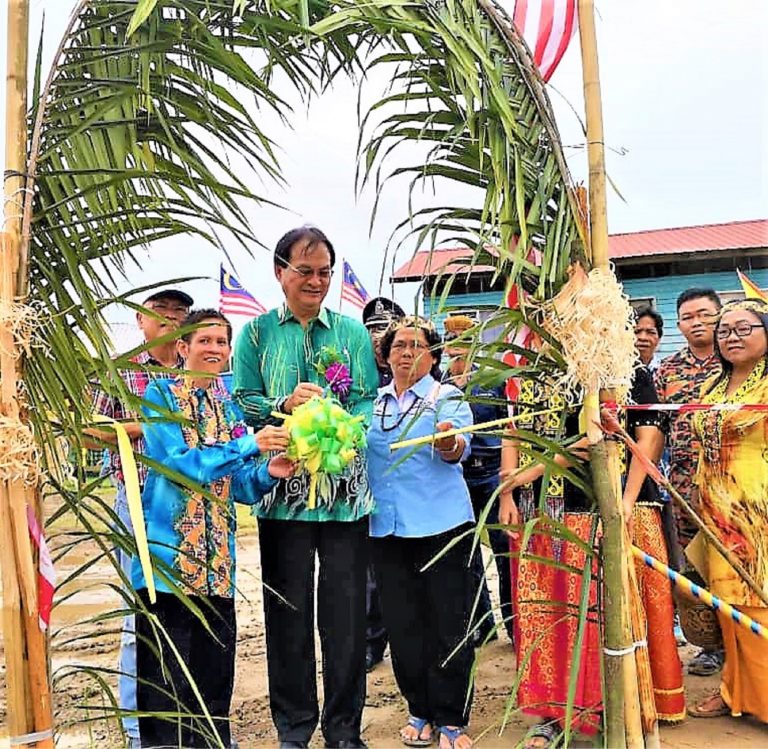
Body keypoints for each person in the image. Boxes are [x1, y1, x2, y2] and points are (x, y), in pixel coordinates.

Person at [232, 226, 378, 749]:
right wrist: (285, 406)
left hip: (344, 500)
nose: (316, 282)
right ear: (280, 272)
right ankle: (293, 729)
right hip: (281, 498)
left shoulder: (352, 333)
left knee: (345, 620)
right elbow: (242, 401)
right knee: (287, 617)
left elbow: (366, 399)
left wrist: (340, 427)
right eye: (305, 271)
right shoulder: (254, 335)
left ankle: (344, 731)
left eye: (324, 273)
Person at [134, 309, 294, 748]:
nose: (214, 349)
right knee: (165, 687)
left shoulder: (227, 409)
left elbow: (237, 485)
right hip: (167, 569)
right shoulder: (159, 397)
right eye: (204, 340)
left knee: (213, 686)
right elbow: (182, 465)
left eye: (221, 341)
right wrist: (249, 444)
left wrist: (269, 472)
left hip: (218, 569)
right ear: (182, 346)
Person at [89, 287, 193, 747]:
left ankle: (189, 721)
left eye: (180, 311)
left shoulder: (196, 368)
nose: (171, 318)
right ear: (140, 319)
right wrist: (148, 428)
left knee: (190, 612)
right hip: (137, 500)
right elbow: (88, 432)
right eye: (161, 310)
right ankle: (139, 729)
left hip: (192, 505)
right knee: (141, 614)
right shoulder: (120, 370)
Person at [366, 316, 476, 749]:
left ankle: (451, 716)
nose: (408, 352)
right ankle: (419, 708)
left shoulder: (445, 397)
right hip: (386, 529)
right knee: (403, 625)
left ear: (434, 356)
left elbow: (457, 447)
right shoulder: (372, 403)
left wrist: (448, 443)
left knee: (448, 622)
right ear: (386, 355)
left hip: (442, 526)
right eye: (399, 345)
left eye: (418, 345)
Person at [499, 374, 601, 749]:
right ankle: (548, 714)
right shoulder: (521, 374)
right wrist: (506, 495)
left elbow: (592, 439)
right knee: (538, 615)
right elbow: (511, 432)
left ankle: (593, 709)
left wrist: (529, 473)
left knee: (581, 615)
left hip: (577, 512)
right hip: (531, 513)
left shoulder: (585, 369)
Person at [688, 299, 768, 722]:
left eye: (744, 328)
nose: (731, 337)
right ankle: (734, 690)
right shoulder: (713, 387)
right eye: (725, 330)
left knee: (758, 601)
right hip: (714, 508)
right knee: (727, 603)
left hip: (757, 507)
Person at [654, 288, 724, 676]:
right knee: (695, 566)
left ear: (720, 315)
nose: (696, 323)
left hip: (732, 484)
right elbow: (657, 429)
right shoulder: (667, 371)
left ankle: (747, 641)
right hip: (684, 486)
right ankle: (712, 646)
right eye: (688, 317)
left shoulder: (740, 361)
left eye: (704, 314)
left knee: (738, 563)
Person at [442, 314, 513, 645]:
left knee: (503, 549)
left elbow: (509, 426)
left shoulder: (493, 379)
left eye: (466, 342)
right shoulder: (440, 385)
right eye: (453, 343)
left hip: (492, 471)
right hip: (458, 475)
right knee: (467, 553)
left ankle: (513, 624)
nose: (459, 350)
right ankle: (482, 626)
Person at [622, 366, 686, 722]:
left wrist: (627, 501)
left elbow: (648, 439)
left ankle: (649, 704)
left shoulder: (634, 374)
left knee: (646, 607)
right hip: (576, 508)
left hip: (633, 505)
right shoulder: (561, 375)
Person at [361, 296, 405, 672]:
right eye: (373, 329)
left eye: (386, 328)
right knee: (371, 572)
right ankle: (372, 643)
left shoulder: (417, 371)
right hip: (372, 485)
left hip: (413, 488)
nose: (379, 335)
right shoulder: (358, 376)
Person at [633, 306, 664, 372]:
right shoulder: (616, 373)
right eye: (637, 332)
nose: (643, 337)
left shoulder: (667, 371)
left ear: (659, 338)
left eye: (650, 332)